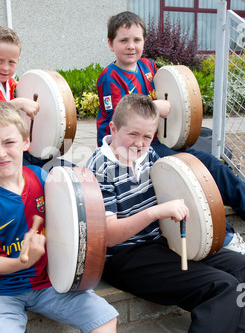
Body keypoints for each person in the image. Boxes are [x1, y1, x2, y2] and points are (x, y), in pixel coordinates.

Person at [87, 94, 245, 333]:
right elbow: (110, 237)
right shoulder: (99, 169)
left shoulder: (149, 155)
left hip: (162, 242)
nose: (139, 144)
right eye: (132, 134)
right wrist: (155, 212)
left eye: (147, 137)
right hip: (126, 256)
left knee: (241, 267)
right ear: (113, 128)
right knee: (222, 287)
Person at [0, 101, 118, 333]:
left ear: (26, 142)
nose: (1, 153)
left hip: (48, 283)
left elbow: (72, 218)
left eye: (9, 142)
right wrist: (22, 262)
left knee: (104, 320)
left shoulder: (42, 177)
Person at [96, 11, 245, 252]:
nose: (131, 46)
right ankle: (224, 236)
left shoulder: (148, 66)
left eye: (136, 40)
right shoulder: (109, 78)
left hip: (155, 142)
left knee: (211, 164)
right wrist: (156, 107)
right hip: (130, 149)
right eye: (123, 40)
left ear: (144, 41)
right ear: (110, 44)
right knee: (193, 173)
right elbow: (123, 118)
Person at [0, 25, 70, 176]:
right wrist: (17, 104)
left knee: (68, 170)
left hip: (19, 150)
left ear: (18, 60)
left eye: (11, 62)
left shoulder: (11, 83)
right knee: (36, 176)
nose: (6, 68)